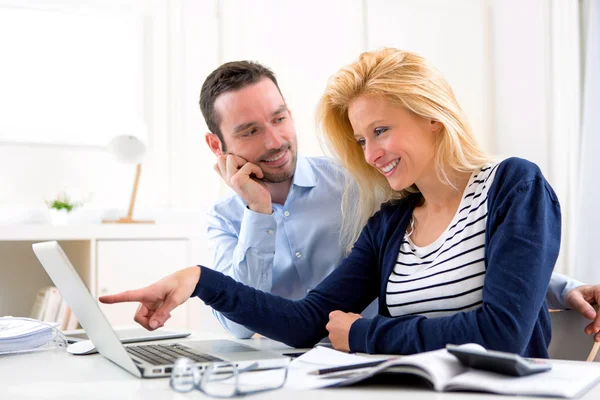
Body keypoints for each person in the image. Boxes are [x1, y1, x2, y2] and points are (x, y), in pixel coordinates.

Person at [101, 49, 600, 356]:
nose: (372, 155)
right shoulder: (392, 217)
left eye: (380, 131)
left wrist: (367, 334)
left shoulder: (514, 183)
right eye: (362, 140)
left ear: (432, 116)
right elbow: (306, 321)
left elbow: (503, 328)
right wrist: (199, 281)